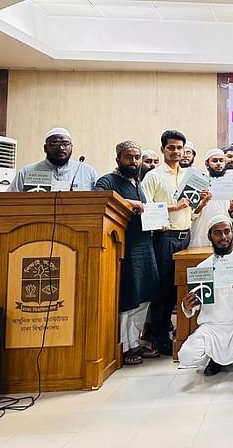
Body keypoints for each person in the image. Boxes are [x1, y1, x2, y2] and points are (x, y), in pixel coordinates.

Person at [94, 141, 160, 365]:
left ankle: (136, 343)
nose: (133, 162)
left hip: (145, 244)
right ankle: (123, 346)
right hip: (124, 246)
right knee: (130, 298)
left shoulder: (138, 182)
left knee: (145, 297)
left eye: (136, 157)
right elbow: (98, 202)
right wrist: (127, 202)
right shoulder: (107, 181)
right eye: (128, 157)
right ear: (118, 160)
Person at [179, 216, 233, 375]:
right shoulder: (203, 267)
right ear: (210, 236)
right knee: (186, 356)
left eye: (227, 231)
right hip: (213, 325)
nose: (223, 237)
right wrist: (187, 305)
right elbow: (195, 303)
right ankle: (214, 358)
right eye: (217, 233)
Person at [141, 129, 197, 355]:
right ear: (163, 149)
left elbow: (191, 212)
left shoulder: (190, 176)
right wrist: (175, 206)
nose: (176, 152)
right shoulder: (153, 176)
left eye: (179, 148)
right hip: (165, 238)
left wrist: (200, 203)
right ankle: (159, 338)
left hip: (187, 236)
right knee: (163, 289)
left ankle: (180, 332)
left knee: (181, 288)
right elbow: (144, 208)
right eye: (171, 147)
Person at [9, 127, 98, 192]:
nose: (61, 148)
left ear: (71, 147)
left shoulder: (88, 172)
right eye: (54, 144)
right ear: (45, 148)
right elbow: (9, 201)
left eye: (65, 143)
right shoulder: (27, 172)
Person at [189, 148, 233, 248]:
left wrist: (232, 211)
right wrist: (202, 204)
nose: (218, 163)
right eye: (214, 161)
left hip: (223, 234)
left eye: (221, 161)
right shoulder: (198, 181)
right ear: (207, 163)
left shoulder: (230, 182)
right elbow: (190, 213)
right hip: (201, 230)